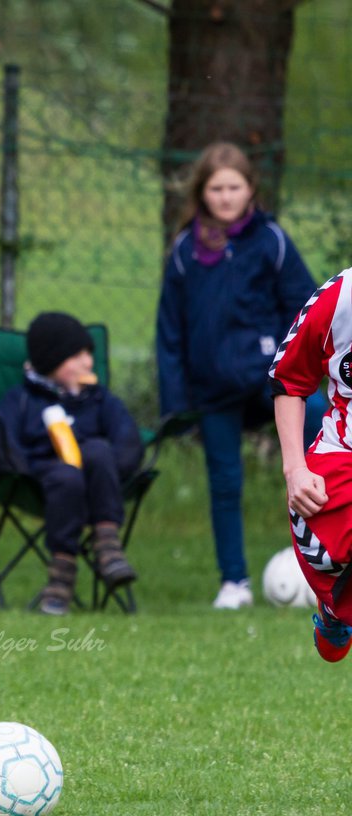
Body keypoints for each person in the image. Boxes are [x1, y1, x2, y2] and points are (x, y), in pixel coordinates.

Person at [156, 140, 325, 610]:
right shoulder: (187, 250)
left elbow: (308, 308)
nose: (226, 197)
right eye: (216, 188)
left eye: (235, 187)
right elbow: (169, 331)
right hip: (214, 391)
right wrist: (176, 403)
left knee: (324, 447)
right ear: (202, 193)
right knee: (225, 482)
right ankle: (234, 582)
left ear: (251, 190)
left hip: (272, 383)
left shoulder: (271, 241)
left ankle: (329, 565)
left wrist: (295, 364)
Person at [0, 312, 143, 616]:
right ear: (51, 360)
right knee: (66, 476)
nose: (88, 363)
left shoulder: (98, 399)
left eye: (89, 354)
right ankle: (62, 571)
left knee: (98, 450)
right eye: (77, 355)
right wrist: (23, 472)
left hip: (100, 477)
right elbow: (5, 442)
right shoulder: (21, 399)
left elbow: (127, 439)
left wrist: (118, 467)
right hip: (45, 477)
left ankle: (107, 543)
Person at [269, 267, 352, 662]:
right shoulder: (339, 298)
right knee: (328, 554)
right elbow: (289, 379)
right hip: (342, 461)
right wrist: (295, 470)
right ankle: (336, 605)